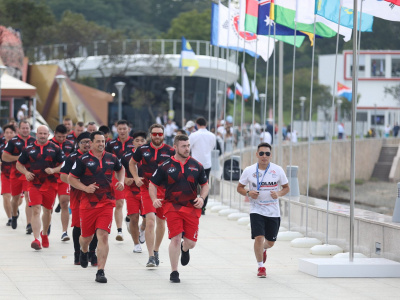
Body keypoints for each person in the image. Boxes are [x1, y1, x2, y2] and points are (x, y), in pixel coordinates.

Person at [150, 134, 209, 283]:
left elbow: (205, 185)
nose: (187, 148)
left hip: (191, 208)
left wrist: (202, 198)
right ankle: (174, 272)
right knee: (175, 238)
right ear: (175, 147)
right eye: (184, 146)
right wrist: (154, 199)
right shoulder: (165, 166)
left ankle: (185, 248)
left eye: (188, 145)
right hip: (172, 207)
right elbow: (152, 184)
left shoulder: (197, 165)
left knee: (191, 243)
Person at [69, 131, 125, 283]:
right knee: (86, 237)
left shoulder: (111, 158)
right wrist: (85, 188)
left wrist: (121, 181)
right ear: (91, 143)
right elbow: (71, 178)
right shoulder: (82, 160)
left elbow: (121, 169)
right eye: (98, 141)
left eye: (103, 141)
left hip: (107, 202)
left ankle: (101, 271)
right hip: (87, 204)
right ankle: (83, 250)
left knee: (103, 236)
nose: (101, 144)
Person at [237, 143, 290, 278]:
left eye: (267, 153)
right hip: (257, 209)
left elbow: (286, 188)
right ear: (257, 155)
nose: (264, 156)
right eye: (261, 153)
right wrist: (249, 192)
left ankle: (265, 249)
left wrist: (278, 194)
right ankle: (261, 267)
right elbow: (239, 188)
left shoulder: (277, 170)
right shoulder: (249, 170)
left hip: (273, 211)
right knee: (259, 237)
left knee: (270, 242)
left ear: (271, 155)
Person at [129, 124, 175, 267]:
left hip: (164, 191)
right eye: (154, 134)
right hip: (147, 189)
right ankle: (150, 257)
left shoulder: (170, 151)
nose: (157, 137)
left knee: (161, 223)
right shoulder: (142, 149)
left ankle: (155, 251)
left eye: (159, 134)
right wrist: (136, 178)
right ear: (150, 135)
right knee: (150, 221)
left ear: (163, 135)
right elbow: (132, 163)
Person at [17, 125, 65, 250]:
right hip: (34, 184)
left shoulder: (55, 148)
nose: (43, 136)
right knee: (36, 209)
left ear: (48, 135)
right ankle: (36, 239)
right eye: (40, 133)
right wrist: (26, 173)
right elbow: (18, 165)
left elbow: (63, 165)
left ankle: (44, 234)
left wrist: (54, 170)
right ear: (36, 134)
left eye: (45, 134)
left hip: (50, 184)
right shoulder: (29, 149)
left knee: (48, 211)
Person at [60, 132, 99, 266]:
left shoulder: (98, 156)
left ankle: (92, 253)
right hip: (78, 196)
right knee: (78, 225)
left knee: (96, 227)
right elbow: (63, 176)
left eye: (89, 142)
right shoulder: (72, 157)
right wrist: (80, 184)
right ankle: (78, 253)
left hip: (96, 197)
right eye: (84, 142)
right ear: (78, 144)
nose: (87, 145)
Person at [2, 121, 36, 233]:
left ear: (30, 128)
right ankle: (14, 214)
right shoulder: (13, 141)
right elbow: (5, 157)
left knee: (28, 197)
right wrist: (19, 158)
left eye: (27, 128)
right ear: (19, 129)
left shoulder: (34, 141)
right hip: (15, 174)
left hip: (29, 174)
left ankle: (29, 224)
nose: (25, 130)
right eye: (23, 128)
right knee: (15, 199)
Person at [105, 120, 135, 242]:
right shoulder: (111, 144)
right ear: (116, 130)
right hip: (117, 176)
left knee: (134, 204)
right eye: (120, 129)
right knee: (119, 203)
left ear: (129, 129)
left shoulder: (134, 142)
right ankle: (119, 231)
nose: (122, 131)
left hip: (133, 176)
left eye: (124, 128)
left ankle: (129, 217)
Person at [120, 131, 147, 253]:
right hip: (131, 190)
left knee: (147, 217)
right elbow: (118, 172)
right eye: (137, 141)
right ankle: (136, 244)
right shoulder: (126, 156)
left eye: (142, 140)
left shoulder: (150, 155)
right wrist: (125, 179)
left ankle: (142, 229)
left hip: (147, 190)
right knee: (134, 217)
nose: (140, 143)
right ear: (133, 142)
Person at [50, 124, 75, 241]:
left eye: (64, 137)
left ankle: (64, 232)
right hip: (50, 178)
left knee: (64, 203)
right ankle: (47, 224)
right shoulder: (49, 143)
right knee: (48, 206)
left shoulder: (70, 144)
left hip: (64, 178)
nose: (61, 139)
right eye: (59, 137)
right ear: (54, 133)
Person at [188, 117, 216, 215]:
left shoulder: (193, 135)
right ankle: (203, 207)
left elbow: (189, 147)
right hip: (207, 163)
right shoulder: (212, 135)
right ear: (206, 124)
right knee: (205, 185)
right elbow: (212, 147)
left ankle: (194, 205)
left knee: (193, 185)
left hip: (195, 163)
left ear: (197, 124)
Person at [0, 124, 17, 226]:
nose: (9, 134)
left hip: (18, 174)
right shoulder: (1, 143)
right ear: (4, 133)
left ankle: (14, 209)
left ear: (15, 133)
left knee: (17, 199)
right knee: (6, 196)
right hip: (5, 174)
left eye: (11, 132)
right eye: (7, 132)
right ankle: (10, 218)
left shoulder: (19, 144)